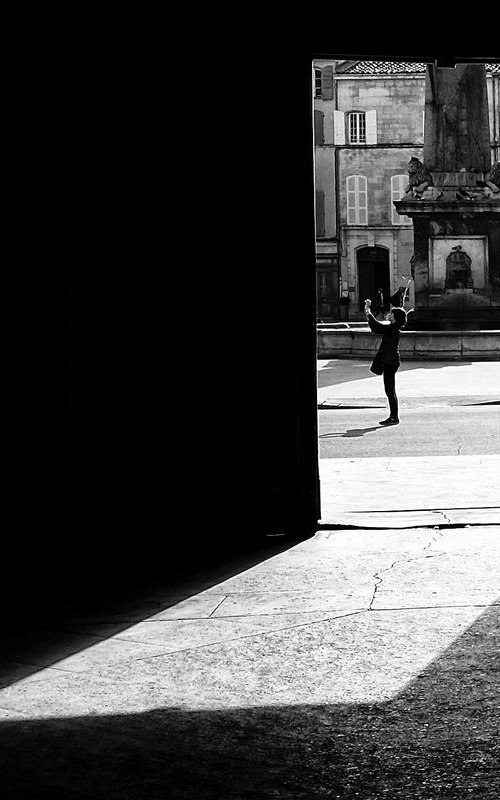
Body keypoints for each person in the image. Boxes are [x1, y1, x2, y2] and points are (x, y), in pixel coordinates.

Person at [364, 297, 407, 426]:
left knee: (390, 390)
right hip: (391, 361)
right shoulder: (393, 328)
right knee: (390, 390)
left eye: (391, 313)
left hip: (390, 362)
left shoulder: (392, 329)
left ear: (395, 317)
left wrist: (368, 310)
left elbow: (376, 326)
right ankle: (393, 416)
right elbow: (377, 328)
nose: (389, 314)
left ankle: (394, 417)